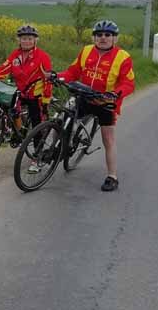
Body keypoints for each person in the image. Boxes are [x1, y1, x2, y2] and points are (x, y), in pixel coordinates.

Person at [51, 19, 135, 192]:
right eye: (99, 34)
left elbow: (128, 83)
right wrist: (57, 76)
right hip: (83, 96)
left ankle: (112, 176)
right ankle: (56, 149)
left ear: (114, 38)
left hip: (105, 102)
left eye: (107, 35)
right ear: (94, 37)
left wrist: (115, 94)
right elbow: (73, 72)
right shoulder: (86, 51)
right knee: (60, 120)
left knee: (108, 139)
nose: (103, 38)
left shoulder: (123, 57)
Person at [0, 24, 53, 173]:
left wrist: (46, 99)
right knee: (6, 106)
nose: (26, 41)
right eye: (24, 38)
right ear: (19, 40)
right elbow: (4, 69)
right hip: (20, 92)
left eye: (30, 38)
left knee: (37, 125)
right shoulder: (15, 55)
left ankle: (37, 158)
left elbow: (48, 79)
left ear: (35, 40)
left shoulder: (42, 56)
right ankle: (18, 132)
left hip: (36, 95)